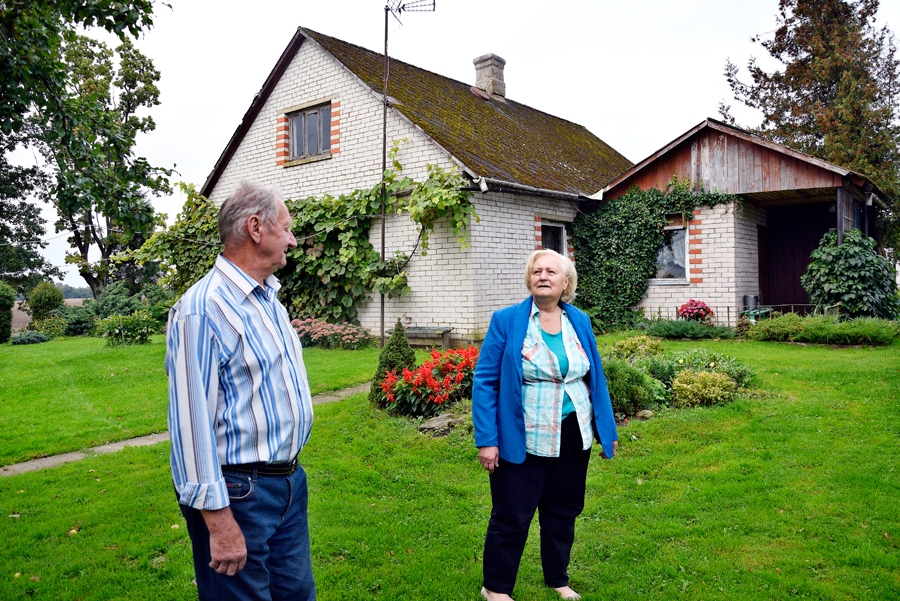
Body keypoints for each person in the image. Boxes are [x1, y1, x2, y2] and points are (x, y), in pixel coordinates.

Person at [166, 180, 316, 601]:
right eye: (285, 228)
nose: (292, 238)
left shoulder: (269, 298)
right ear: (255, 228)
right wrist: (218, 520)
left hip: (286, 483)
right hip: (238, 493)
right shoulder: (201, 310)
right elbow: (190, 426)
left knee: (297, 595)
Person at [472, 249, 618, 601]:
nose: (543, 276)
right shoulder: (507, 321)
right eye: (537, 271)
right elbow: (485, 381)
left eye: (551, 271)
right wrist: (487, 440)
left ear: (566, 282)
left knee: (563, 511)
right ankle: (496, 588)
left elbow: (594, 376)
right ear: (529, 279)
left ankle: (557, 578)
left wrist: (605, 431)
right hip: (523, 435)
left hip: (572, 433)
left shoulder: (579, 320)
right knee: (511, 514)